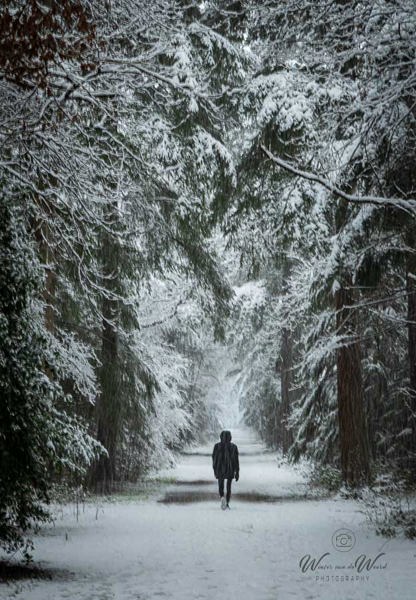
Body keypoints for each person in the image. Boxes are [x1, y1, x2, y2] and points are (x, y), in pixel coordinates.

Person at [212, 430, 239, 509]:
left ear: (220, 437)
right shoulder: (234, 447)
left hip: (220, 469)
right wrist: (237, 472)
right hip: (230, 469)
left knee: (221, 485)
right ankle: (227, 502)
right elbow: (236, 461)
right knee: (228, 487)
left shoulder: (217, 446)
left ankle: (222, 497)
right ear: (230, 438)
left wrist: (215, 469)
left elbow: (214, 458)